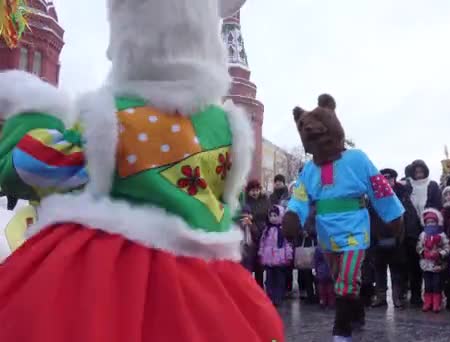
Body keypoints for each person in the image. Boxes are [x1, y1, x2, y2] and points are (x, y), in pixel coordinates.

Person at [0, 0, 285, 340]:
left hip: (102, 279)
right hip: (208, 286)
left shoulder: (110, 117)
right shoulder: (227, 128)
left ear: (126, 35)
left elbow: (33, 166)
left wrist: (34, 110)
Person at [283, 94, 405, 342]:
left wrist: (393, 216)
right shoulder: (309, 169)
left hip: (354, 227)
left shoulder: (356, 158)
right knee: (342, 278)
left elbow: (378, 187)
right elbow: (300, 196)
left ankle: (341, 332)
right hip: (326, 230)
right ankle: (356, 312)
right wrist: (294, 214)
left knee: (347, 279)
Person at [370, 169, 408, 308]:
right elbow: (371, 218)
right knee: (379, 270)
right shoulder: (375, 197)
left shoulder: (401, 195)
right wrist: (375, 236)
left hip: (396, 239)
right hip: (378, 239)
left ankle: (397, 297)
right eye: (384, 179)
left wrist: (400, 237)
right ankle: (380, 297)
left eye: (389, 179)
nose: (387, 181)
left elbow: (406, 217)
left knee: (396, 271)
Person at [417, 208, 450, 313]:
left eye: (433, 222)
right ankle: (427, 302)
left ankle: (437, 303)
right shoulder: (423, 235)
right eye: (428, 222)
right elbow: (418, 246)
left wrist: (440, 254)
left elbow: (448, 247)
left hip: (438, 264)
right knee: (428, 285)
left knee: (437, 284)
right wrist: (423, 252)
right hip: (426, 264)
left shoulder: (441, 235)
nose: (430, 224)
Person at [259, 205, 294, 306]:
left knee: (279, 280)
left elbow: (287, 245)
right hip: (269, 259)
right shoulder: (267, 230)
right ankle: (270, 296)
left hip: (280, 259)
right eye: (271, 216)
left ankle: (278, 298)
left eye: (275, 215)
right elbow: (262, 243)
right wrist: (261, 254)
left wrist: (288, 256)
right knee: (269, 280)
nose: (273, 218)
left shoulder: (283, 230)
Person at [244, 180, 271, 288]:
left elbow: (267, 212)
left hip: (263, 235)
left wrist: (253, 216)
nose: (255, 193)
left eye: (256, 190)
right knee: (249, 263)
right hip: (249, 235)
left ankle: (260, 287)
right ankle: (249, 287)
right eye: (252, 191)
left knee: (260, 265)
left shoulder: (265, 200)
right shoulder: (245, 202)